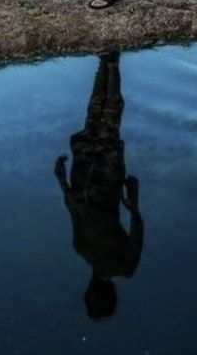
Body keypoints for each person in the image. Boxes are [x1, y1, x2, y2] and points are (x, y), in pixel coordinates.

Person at [54, 52, 144, 319]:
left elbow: (137, 227)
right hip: (86, 173)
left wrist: (132, 200)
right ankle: (105, 62)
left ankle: (110, 62)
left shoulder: (123, 266)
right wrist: (61, 180)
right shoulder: (82, 249)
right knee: (96, 115)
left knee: (108, 116)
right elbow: (74, 208)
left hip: (104, 178)